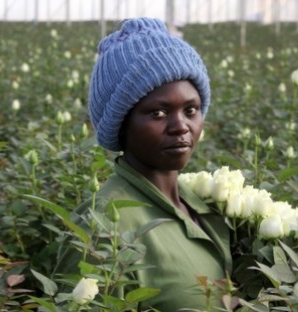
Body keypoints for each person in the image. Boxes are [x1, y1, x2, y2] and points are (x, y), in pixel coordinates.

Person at [55, 17, 232, 311]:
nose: (181, 126)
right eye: (158, 113)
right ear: (121, 124)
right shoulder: (104, 228)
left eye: (191, 109)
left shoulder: (203, 204)